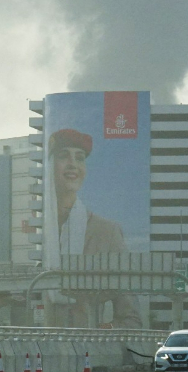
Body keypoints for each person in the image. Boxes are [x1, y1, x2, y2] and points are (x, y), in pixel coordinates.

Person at [45, 128, 141, 328]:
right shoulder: (39, 230)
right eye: (63, 156)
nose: (72, 165)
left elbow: (132, 320)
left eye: (79, 158)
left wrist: (106, 329)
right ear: (48, 166)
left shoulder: (107, 232)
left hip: (90, 349)